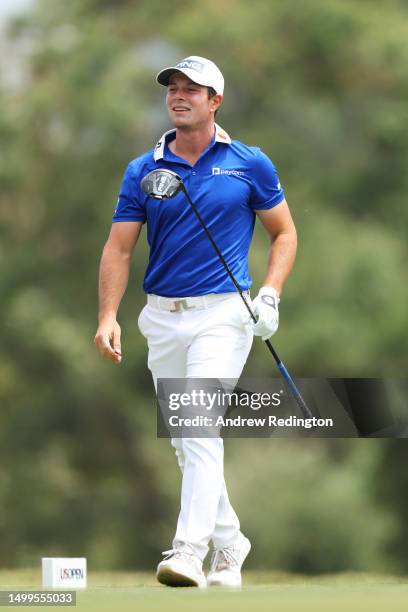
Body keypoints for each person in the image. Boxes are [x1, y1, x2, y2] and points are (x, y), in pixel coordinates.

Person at [94, 55, 297, 588]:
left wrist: (271, 295)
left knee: (198, 426)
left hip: (225, 315)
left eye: (193, 89)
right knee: (187, 440)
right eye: (173, 88)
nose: (179, 96)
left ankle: (189, 550)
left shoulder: (250, 163)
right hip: (161, 318)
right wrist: (108, 315)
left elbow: (284, 233)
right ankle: (231, 544)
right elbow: (119, 248)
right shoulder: (144, 169)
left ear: (215, 101)